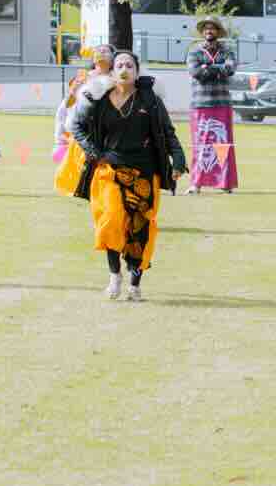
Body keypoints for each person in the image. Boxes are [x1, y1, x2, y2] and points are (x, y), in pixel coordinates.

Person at [71, 50, 187, 301]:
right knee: (110, 221)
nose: (124, 68)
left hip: (144, 174)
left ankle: (135, 284)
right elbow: (76, 125)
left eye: (130, 65)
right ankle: (115, 276)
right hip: (109, 170)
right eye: (120, 64)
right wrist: (95, 152)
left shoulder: (150, 100)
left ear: (137, 72)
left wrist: (178, 160)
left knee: (140, 230)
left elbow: (168, 133)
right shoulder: (97, 98)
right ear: (112, 71)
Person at [185, 18, 239, 193]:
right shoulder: (194, 51)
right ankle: (196, 184)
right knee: (200, 144)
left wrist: (207, 66)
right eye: (206, 28)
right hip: (200, 104)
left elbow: (230, 69)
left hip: (222, 103)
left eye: (213, 28)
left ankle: (225, 184)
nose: (209, 31)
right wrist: (218, 68)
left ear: (218, 32)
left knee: (223, 144)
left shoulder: (228, 51)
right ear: (203, 32)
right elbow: (195, 72)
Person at [53, 45, 115, 196]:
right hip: (84, 130)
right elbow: (67, 105)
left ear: (113, 57)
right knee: (78, 164)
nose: (101, 52)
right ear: (93, 58)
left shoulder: (117, 78)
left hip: (108, 131)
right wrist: (60, 134)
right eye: (98, 50)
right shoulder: (83, 77)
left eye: (106, 50)